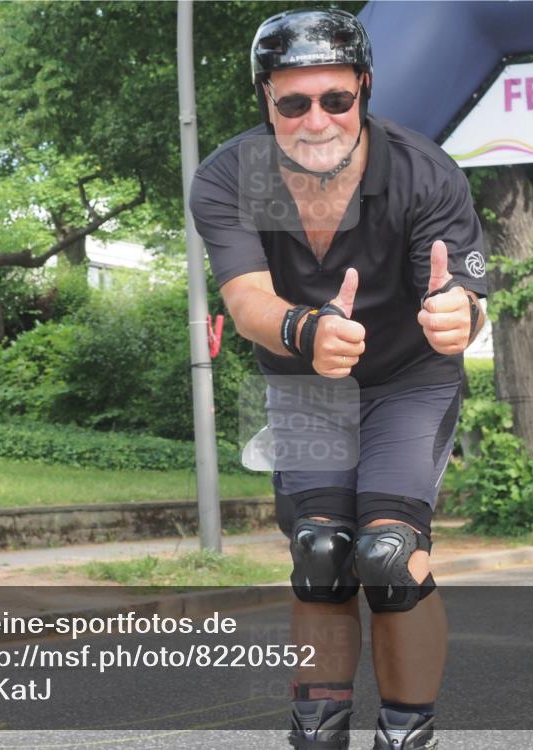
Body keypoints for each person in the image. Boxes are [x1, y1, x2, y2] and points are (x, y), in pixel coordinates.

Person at [189, 8, 488, 749]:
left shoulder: (423, 172)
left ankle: (406, 735)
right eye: (293, 102)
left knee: (387, 554)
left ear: (365, 87)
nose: (315, 120)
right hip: (306, 383)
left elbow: (463, 294)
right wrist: (307, 330)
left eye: (336, 99)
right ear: (266, 99)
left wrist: (462, 316)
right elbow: (248, 300)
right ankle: (318, 735)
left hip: (410, 378)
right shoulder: (233, 175)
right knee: (320, 553)